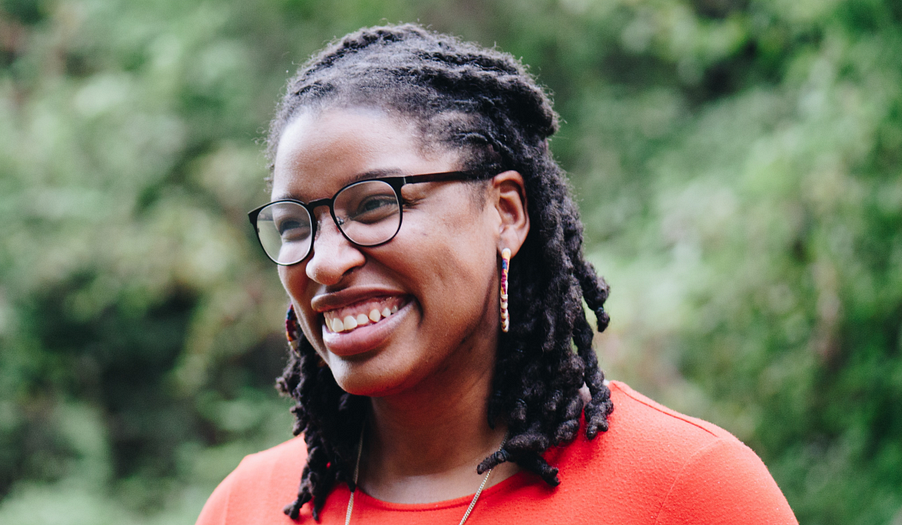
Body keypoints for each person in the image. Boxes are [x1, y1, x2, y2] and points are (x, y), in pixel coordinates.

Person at [196, 24, 797, 525]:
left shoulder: (686, 489)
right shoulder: (246, 505)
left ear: (505, 213)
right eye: (295, 225)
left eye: (374, 205)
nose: (324, 262)